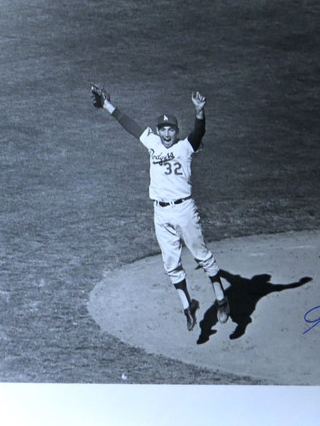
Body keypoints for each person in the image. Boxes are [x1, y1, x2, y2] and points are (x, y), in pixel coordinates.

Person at [92, 86, 230, 331]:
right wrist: (107, 106)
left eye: (171, 129)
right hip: (161, 213)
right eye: (163, 129)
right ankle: (187, 307)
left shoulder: (185, 146)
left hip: (185, 210)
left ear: (176, 132)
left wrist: (200, 112)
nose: (167, 134)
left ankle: (221, 298)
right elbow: (130, 125)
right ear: (158, 131)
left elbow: (199, 133)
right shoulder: (153, 143)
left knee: (201, 255)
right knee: (171, 263)